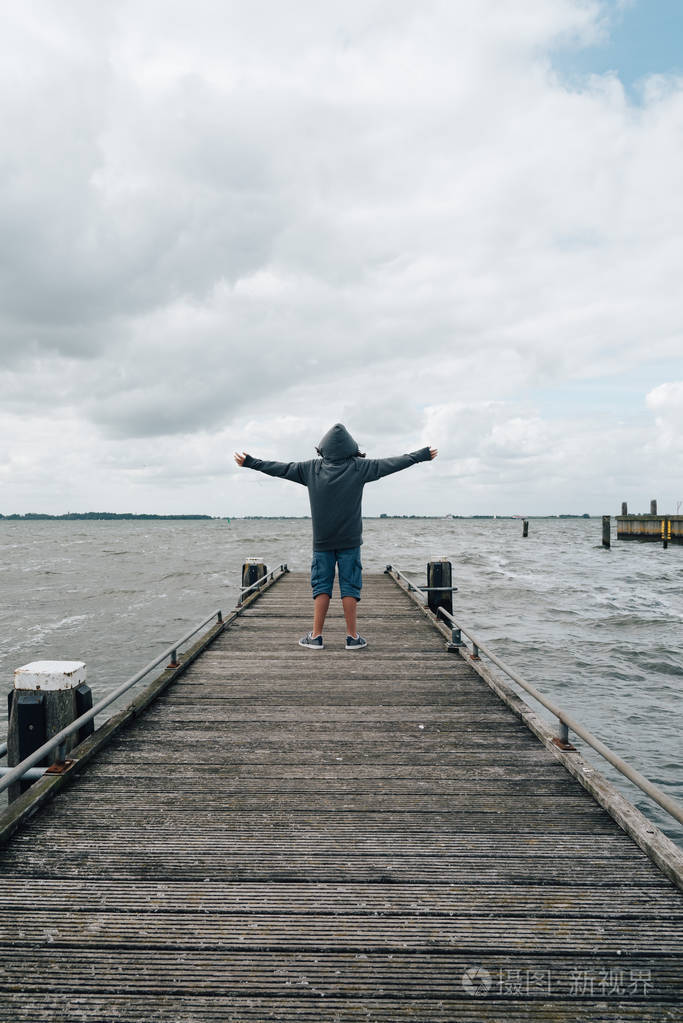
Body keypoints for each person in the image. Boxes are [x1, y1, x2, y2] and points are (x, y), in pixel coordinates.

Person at [234, 423, 437, 650]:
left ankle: (316, 636)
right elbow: (392, 463)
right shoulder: (360, 467)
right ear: (351, 447)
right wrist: (420, 456)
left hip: (322, 542)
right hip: (350, 541)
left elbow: (279, 468)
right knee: (350, 586)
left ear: (323, 449)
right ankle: (352, 637)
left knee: (321, 585)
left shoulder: (309, 469)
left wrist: (251, 462)